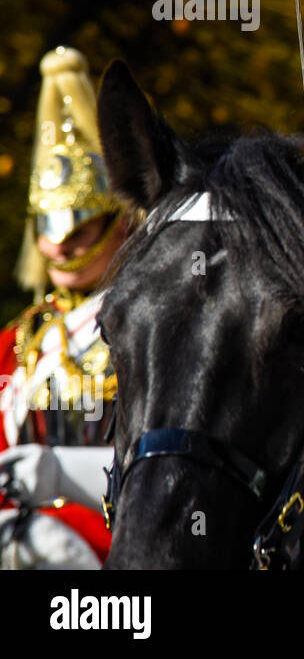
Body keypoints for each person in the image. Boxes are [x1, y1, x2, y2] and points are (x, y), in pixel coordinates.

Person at [0, 47, 126, 567]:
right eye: (51, 228)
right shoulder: (20, 341)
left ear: (118, 221)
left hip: (125, 536)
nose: (64, 245)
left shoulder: (149, 321)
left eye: (82, 227)